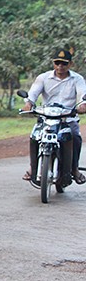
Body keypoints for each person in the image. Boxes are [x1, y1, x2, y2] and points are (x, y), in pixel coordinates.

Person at [22, 46, 86, 185]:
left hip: (68, 118)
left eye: (64, 63)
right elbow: (32, 94)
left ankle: (74, 169)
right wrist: (28, 104)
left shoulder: (77, 79)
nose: (60, 66)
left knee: (75, 137)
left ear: (70, 64)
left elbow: (82, 95)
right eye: (57, 63)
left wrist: (82, 105)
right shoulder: (43, 78)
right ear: (53, 63)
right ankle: (33, 168)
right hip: (46, 119)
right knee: (34, 137)